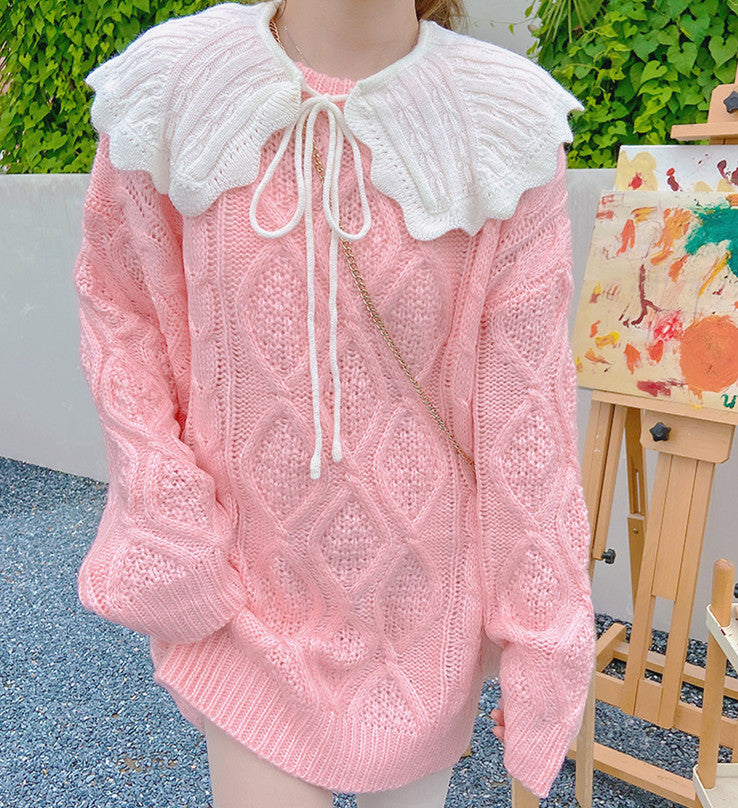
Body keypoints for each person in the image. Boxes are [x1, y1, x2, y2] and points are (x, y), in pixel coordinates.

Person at [72, 0, 596, 805]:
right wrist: (171, 520)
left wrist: (544, 638)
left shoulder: (502, 124)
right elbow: (121, 310)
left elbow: (528, 412)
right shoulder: (178, 85)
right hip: (251, 601)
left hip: (425, 622)